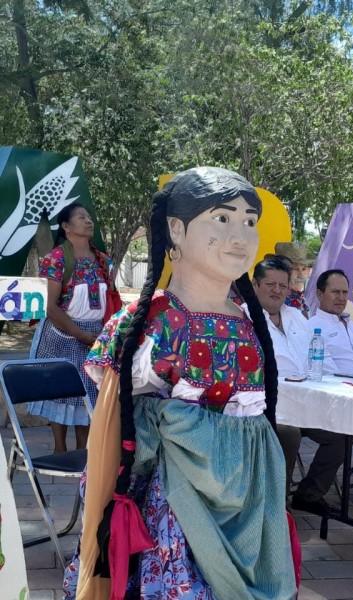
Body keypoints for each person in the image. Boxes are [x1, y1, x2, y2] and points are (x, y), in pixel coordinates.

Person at [64, 167, 296, 599]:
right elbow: (113, 418)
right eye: (223, 218)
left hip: (247, 491)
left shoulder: (248, 321)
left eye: (250, 221)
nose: (241, 235)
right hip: (174, 497)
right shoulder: (150, 320)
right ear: (176, 228)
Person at [252, 256, 345, 515]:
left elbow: (320, 357)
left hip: (305, 402)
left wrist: (334, 384)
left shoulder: (296, 317)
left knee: (342, 433)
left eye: (283, 285)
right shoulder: (244, 319)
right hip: (266, 406)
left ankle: (309, 495)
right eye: (270, 284)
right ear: (255, 285)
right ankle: (275, 508)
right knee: (288, 434)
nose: (277, 290)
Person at [29, 202, 115, 453]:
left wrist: (99, 335)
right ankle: (59, 449)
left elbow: (108, 301)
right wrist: (79, 334)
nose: (88, 221)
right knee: (59, 390)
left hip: (93, 335)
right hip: (60, 334)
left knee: (86, 393)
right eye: (81, 217)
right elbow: (49, 305)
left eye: (89, 217)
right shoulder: (55, 259)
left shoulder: (103, 260)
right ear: (66, 227)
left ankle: (81, 451)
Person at [308, 269, 353, 377]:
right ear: (319, 294)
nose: (341, 298)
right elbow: (329, 373)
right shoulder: (311, 328)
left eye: (345, 292)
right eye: (335, 292)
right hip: (341, 390)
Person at [275, 241, 314, 318]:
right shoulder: (275, 299)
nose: (300, 274)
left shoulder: (302, 299)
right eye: (295, 269)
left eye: (304, 269)